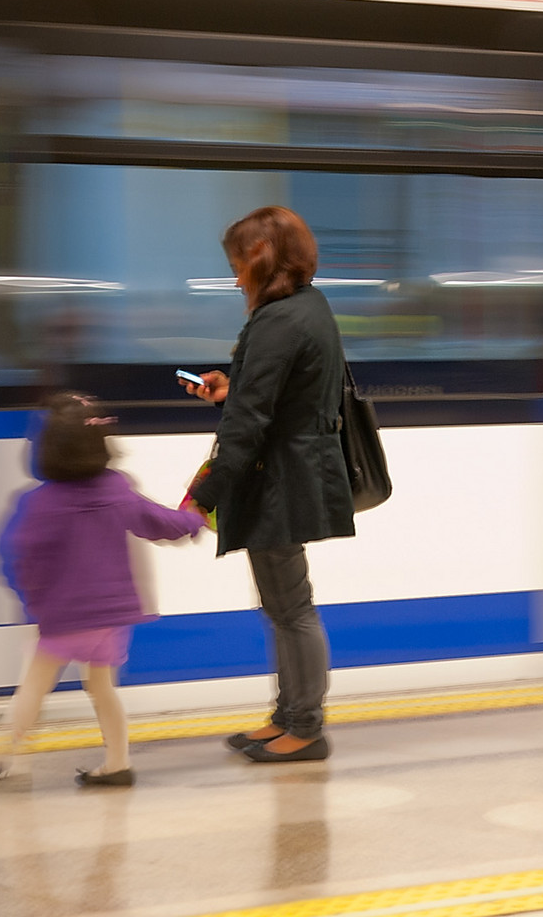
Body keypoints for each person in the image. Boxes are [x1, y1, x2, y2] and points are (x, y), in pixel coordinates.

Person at [0, 392, 207, 786]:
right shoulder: (116, 488)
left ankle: (2, 752)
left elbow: (13, 555)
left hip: (65, 614)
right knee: (102, 688)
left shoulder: (40, 503)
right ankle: (117, 762)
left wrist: (33, 597)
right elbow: (157, 521)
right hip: (111, 615)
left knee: (35, 686)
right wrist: (192, 521)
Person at [182, 206, 355, 763]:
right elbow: (279, 398)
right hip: (289, 475)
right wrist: (231, 387)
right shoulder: (306, 308)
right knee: (284, 607)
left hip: (279, 482)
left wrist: (202, 496)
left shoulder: (279, 321)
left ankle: (305, 727)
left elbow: (249, 425)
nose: (235, 278)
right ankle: (288, 716)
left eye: (237, 265)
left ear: (261, 258)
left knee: (292, 609)